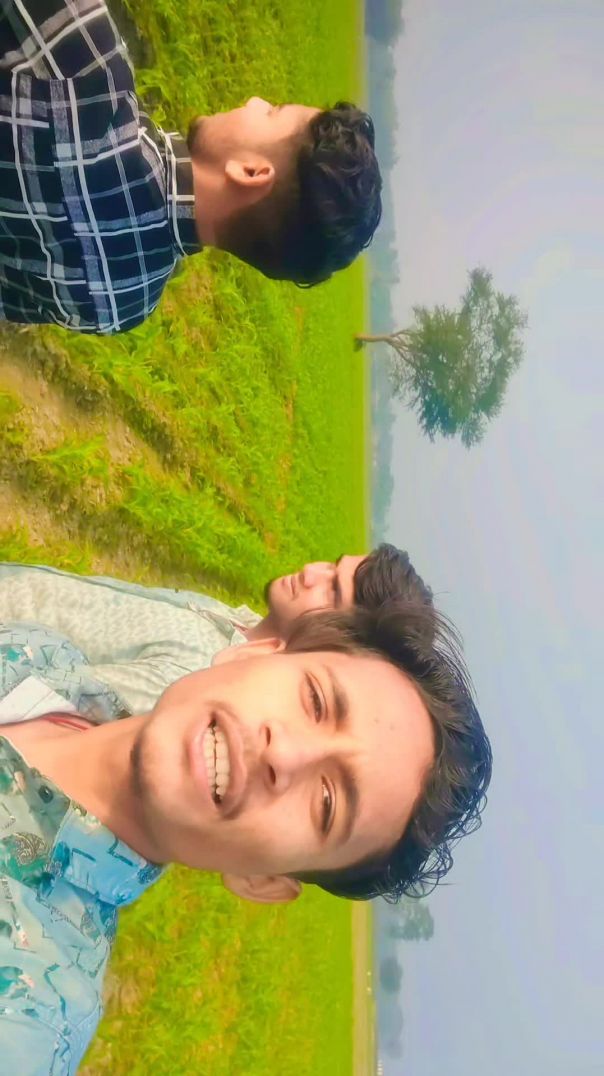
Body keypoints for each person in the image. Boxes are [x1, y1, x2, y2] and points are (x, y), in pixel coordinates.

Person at [0, 602, 491, 1072]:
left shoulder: (28, 1015)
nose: (286, 754)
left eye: (327, 804)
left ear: (262, 880)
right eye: (316, 701)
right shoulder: (44, 654)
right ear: (250, 653)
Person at [0, 0, 382, 335]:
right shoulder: (127, 306)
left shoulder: (90, 76)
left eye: (271, 112)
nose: (255, 100)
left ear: (250, 172)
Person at [0, 545, 434, 713]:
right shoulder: (238, 621)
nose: (312, 572)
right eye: (333, 565)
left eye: (332, 589)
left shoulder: (197, 678)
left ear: (339, 645)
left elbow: (38, 700)